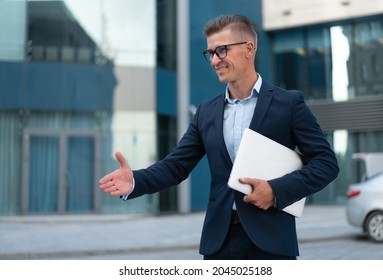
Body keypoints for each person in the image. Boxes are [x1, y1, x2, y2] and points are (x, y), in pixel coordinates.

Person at [99, 14, 339, 260]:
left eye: (221, 50)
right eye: (210, 53)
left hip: (272, 242)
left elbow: (326, 164)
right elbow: (176, 166)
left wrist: (275, 191)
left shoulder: (289, 104)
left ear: (249, 48)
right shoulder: (206, 112)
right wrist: (136, 180)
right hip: (220, 243)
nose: (214, 60)